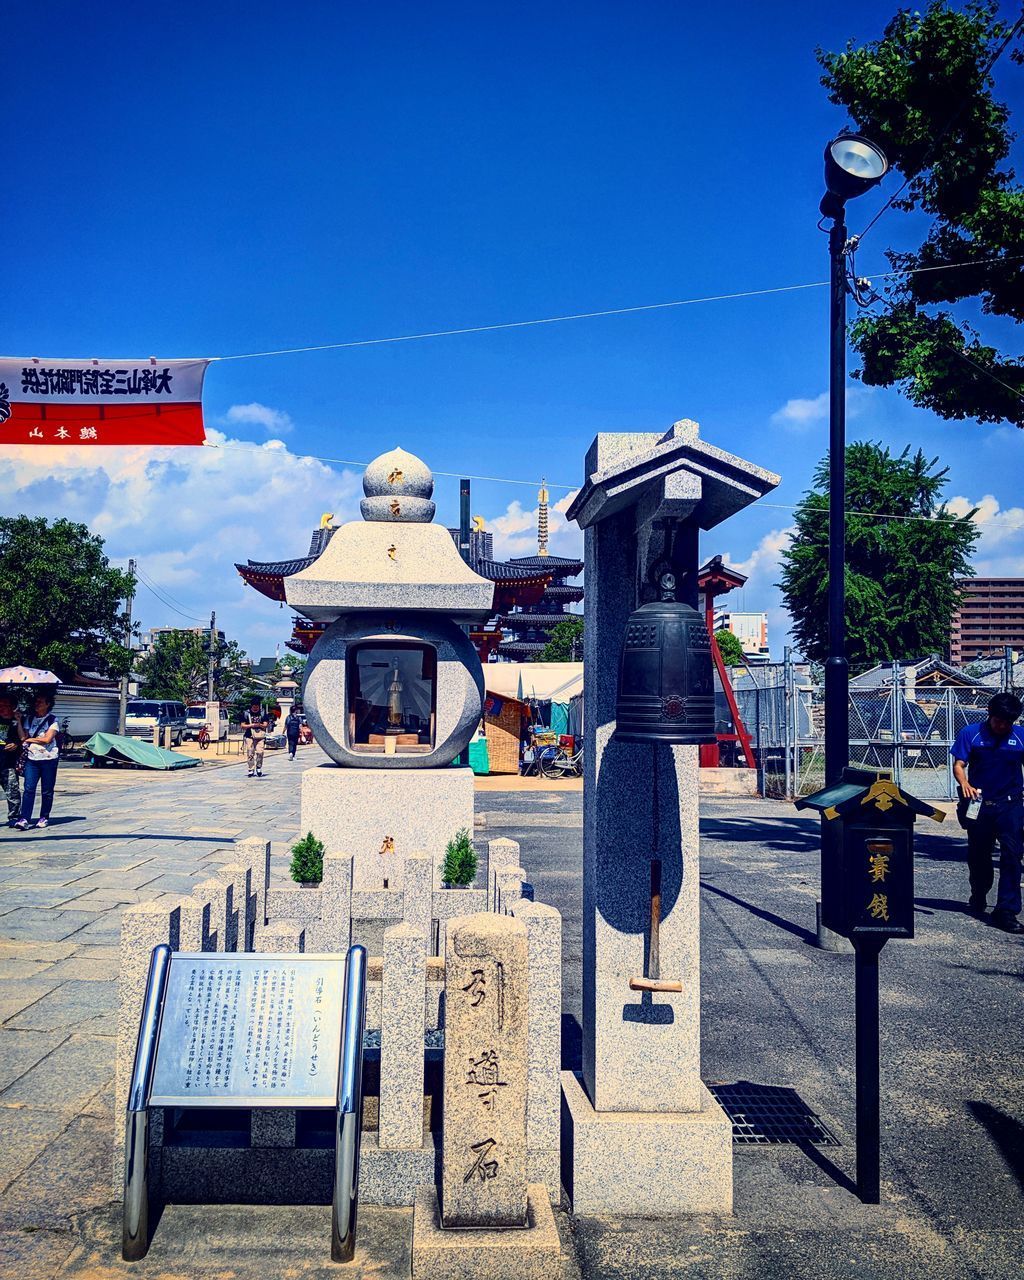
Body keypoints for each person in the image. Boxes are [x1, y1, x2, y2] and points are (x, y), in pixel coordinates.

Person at [950, 690, 1024, 934]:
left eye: (1007, 722)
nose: (1002, 725)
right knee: (979, 855)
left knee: (1012, 855)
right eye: (998, 720)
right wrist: (964, 784)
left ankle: (1007, 910)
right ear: (989, 715)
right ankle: (978, 893)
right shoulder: (971, 734)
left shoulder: (1020, 737)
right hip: (978, 804)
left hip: (1010, 804)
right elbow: (959, 765)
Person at [13, 690, 61, 831]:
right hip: (32, 758)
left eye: (40, 702)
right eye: (36, 701)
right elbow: (23, 737)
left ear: (47, 704)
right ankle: (24, 818)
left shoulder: (53, 720)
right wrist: (19, 721)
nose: (37, 704)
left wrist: (29, 739)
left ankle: (44, 816)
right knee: (28, 789)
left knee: (47, 790)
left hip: (49, 759)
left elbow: (47, 739)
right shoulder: (30, 719)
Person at [0, 695, 22, 826]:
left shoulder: (16, 722)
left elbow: (23, 739)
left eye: (6, 706)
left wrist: (16, 745)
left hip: (8, 763)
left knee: (12, 791)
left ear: (12, 707)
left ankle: (14, 816)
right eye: (0, 706)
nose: (3, 709)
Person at [242, 699, 268, 778]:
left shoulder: (263, 713)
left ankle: (259, 767)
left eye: (257, 707)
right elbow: (242, 725)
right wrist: (252, 725)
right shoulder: (246, 713)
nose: (256, 708)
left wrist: (259, 725)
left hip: (260, 736)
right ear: (251, 706)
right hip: (249, 735)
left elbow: (266, 725)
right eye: (254, 707)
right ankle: (251, 769)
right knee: (250, 753)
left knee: (260, 752)